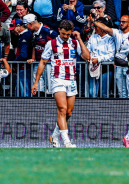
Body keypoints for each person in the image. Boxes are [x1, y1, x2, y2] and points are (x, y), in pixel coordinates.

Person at [31, 19, 91, 148]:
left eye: (68, 34)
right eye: (64, 34)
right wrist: (36, 82)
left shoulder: (75, 43)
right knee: (62, 109)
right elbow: (42, 62)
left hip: (71, 80)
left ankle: (54, 136)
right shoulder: (51, 43)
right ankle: (66, 142)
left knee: (68, 113)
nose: (65, 36)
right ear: (59, 30)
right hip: (57, 79)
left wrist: (80, 39)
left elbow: (87, 57)